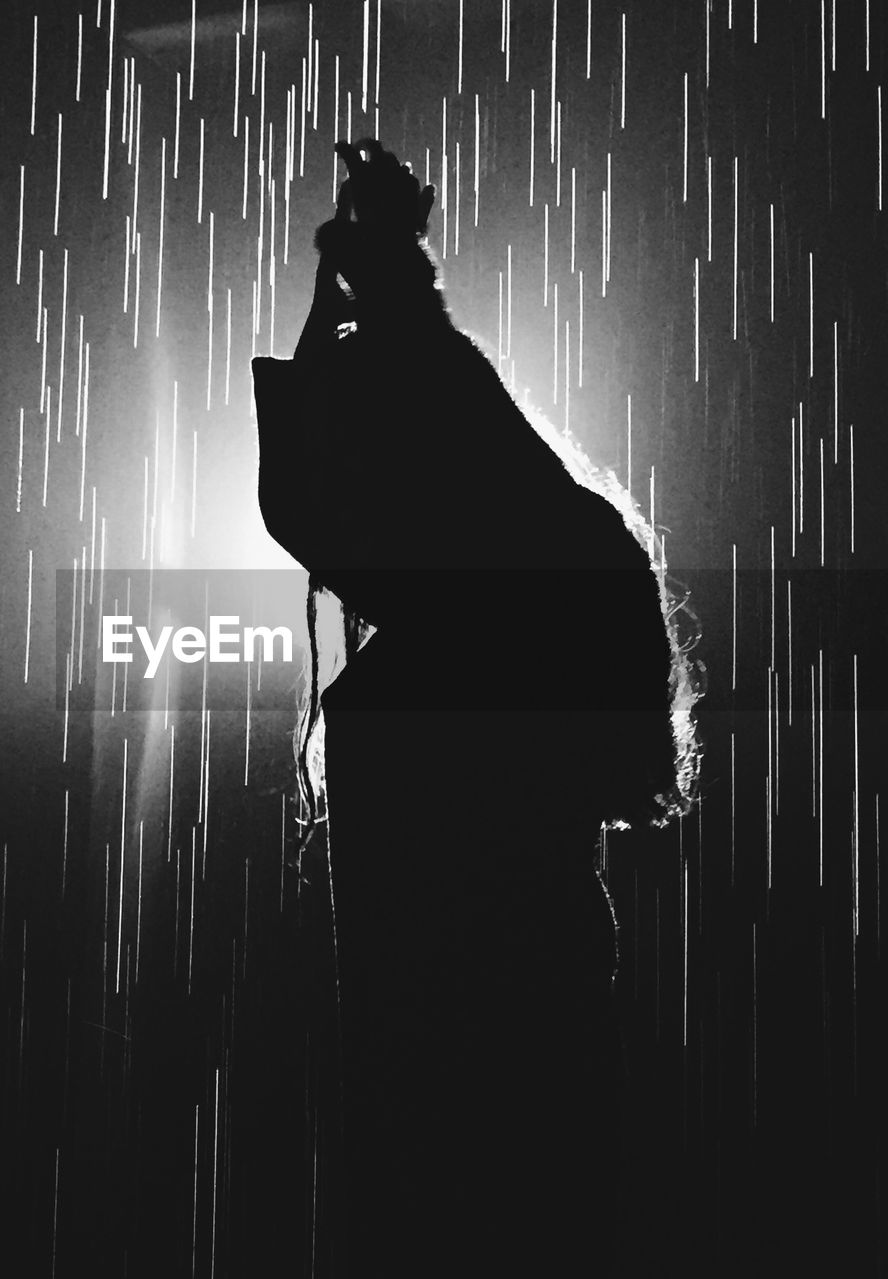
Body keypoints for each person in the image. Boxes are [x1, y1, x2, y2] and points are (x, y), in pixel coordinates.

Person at [252, 140, 699, 1274]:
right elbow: (402, 441)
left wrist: (380, 277)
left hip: (460, 1032)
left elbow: (349, 465)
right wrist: (383, 276)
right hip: (500, 1020)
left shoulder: (487, 604)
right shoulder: (541, 565)